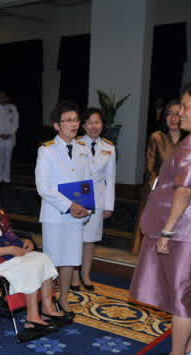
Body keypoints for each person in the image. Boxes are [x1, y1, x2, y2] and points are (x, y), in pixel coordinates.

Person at [130, 80, 191, 355]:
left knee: (182, 297)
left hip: (186, 231)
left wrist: (167, 231)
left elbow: (184, 189)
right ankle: (187, 347)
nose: (180, 112)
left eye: (186, 106)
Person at [0, 172, 71, 340]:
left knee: (43, 258)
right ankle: (32, 318)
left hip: (8, 253)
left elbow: (8, 233)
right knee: (30, 266)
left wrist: (25, 242)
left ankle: (47, 308)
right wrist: (10, 250)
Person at [35, 101, 91, 318]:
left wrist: (87, 207)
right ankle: (47, 302)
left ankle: (64, 298)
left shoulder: (83, 149)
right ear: (57, 125)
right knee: (52, 261)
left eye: (76, 120)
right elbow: (43, 187)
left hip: (77, 215)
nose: (74, 124)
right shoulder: (46, 150)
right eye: (68, 120)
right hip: (55, 215)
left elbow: (87, 183)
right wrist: (69, 205)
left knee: (70, 259)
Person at [132, 100, 187, 255]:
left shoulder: (189, 141)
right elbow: (150, 168)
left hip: (181, 192)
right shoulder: (157, 137)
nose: (173, 118)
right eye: (169, 114)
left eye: (177, 114)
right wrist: (158, 189)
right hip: (156, 190)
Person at [71, 108, 116, 291]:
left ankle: (86, 275)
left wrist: (109, 205)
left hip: (97, 198)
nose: (94, 126)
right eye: (90, 123)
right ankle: (74, 276)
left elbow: (110, 179)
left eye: (97, 122)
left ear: (102, 125)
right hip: (78, 196)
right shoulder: (75, 143)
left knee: (90, 240)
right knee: (75, 238)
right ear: (83, 125)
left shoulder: (109, 148)